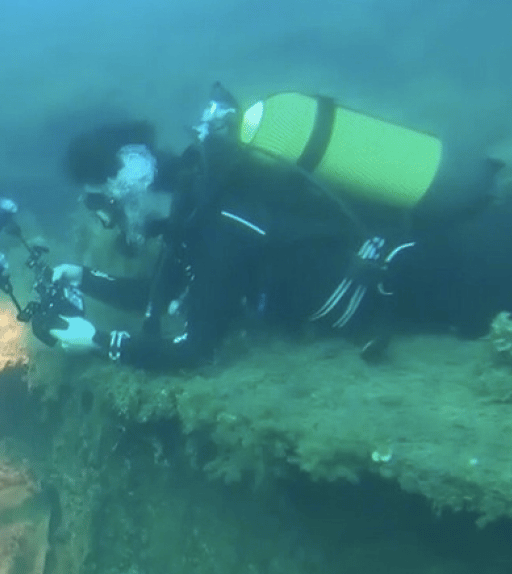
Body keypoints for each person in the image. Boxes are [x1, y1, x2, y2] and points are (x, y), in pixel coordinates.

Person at [40, 87, 511, 371]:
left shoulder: (217, 222)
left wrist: (100, 342)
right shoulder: (202, 205)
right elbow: (175, 287)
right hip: (423, 266)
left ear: (128, 181)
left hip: (447, 275)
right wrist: (84, 279)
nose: (104, 219)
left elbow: (193, 347)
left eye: (102, 202)